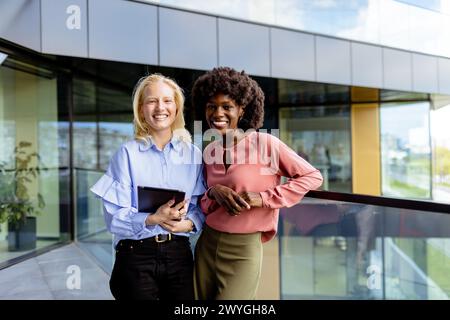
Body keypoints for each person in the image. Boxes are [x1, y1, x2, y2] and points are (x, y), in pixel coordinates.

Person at [191, 67, 323, 300]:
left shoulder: (266, 144)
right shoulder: (209, 150)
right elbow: (202, 201)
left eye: (226, 106)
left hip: (244, 249)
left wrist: (263, 198)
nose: (217, 113)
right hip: (207, 243)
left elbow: (312, 177)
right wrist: (213, 192)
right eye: (211, 106)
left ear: (242, 109)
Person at [90, 74, 205, 300]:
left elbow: (200, 207)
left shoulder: (193, 155)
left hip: (179, 255)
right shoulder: (127, 154)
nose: (160, 107)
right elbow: (114, 219)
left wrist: (189, 223)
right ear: (141, 109)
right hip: (135, 257)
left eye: (167, 100)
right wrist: (153, 218)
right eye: (152, 101)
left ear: (177, 108)